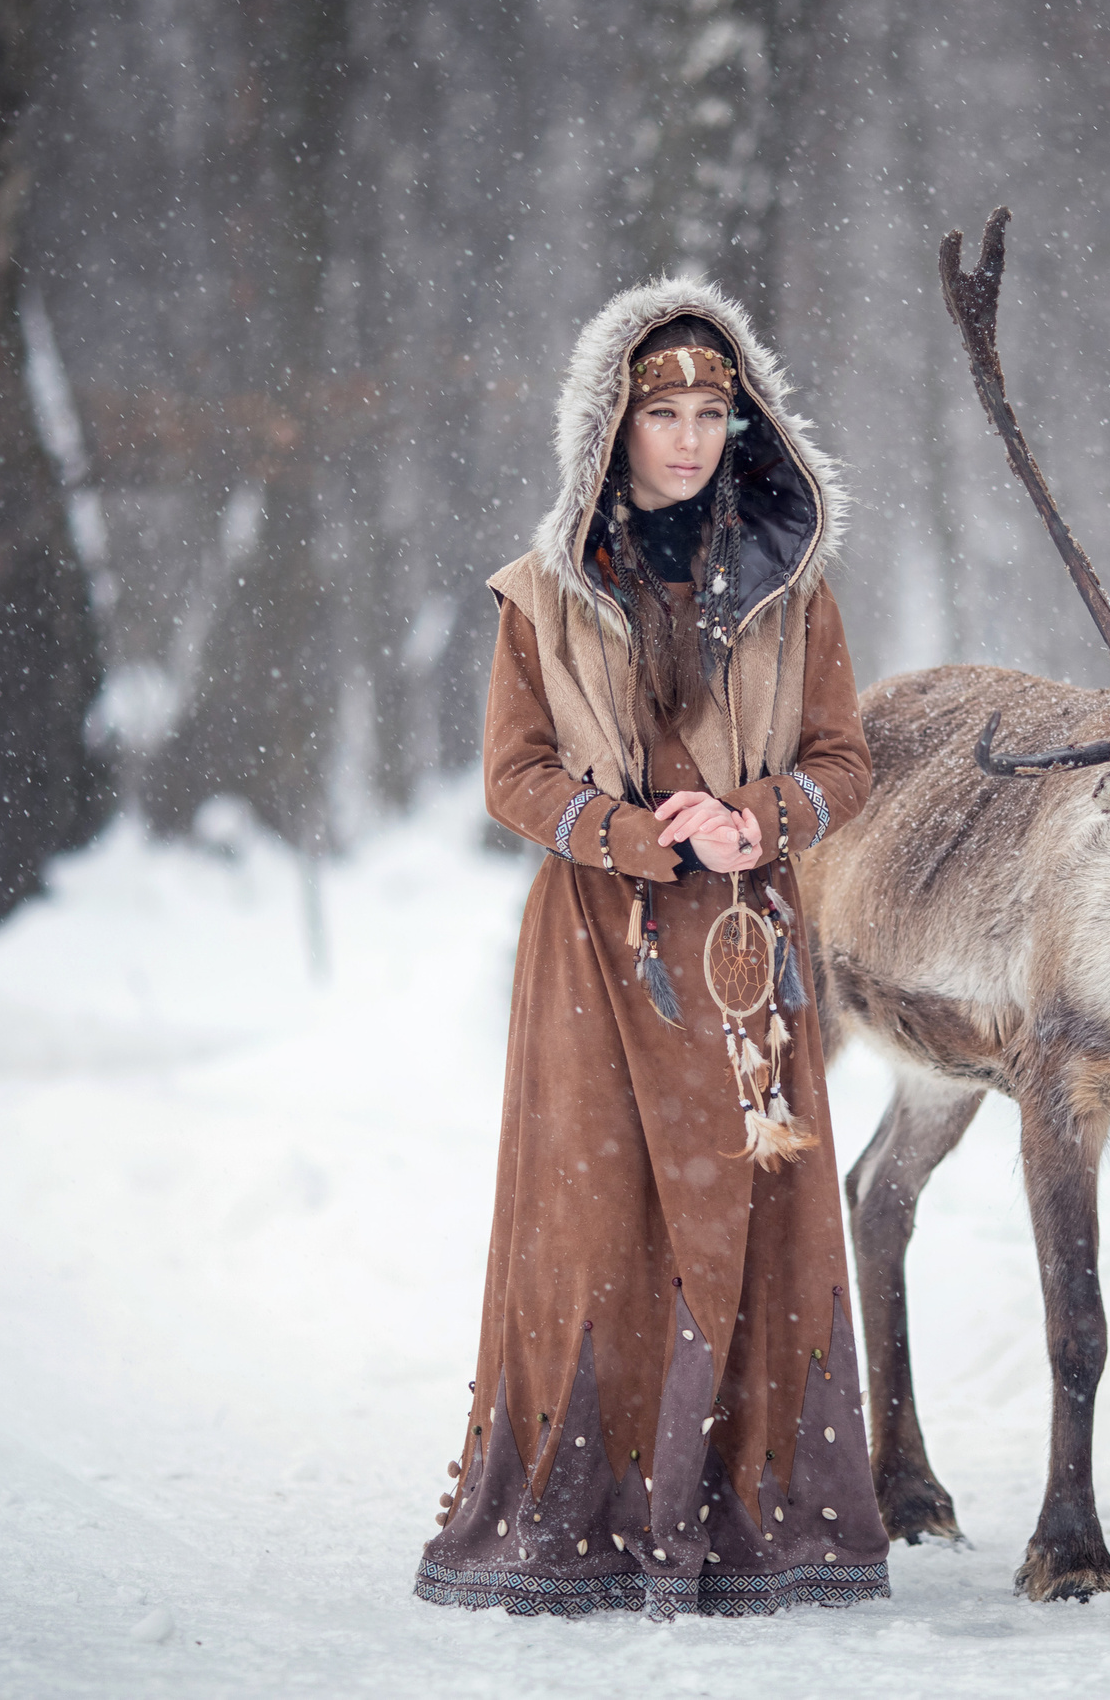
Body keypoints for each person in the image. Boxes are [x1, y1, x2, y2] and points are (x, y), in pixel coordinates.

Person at [414, 279, 888, 1619]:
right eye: (660, 410)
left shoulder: (795, 592)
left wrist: (758, 819)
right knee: (596, 1220)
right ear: (607, 426)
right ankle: (586, 1532)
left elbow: (844, 760)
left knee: (750, 1218)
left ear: (744, 423)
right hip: (596, 951)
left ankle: (755, 1531)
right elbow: (511, 778)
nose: (687, 435)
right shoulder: (541, 596)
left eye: (711, 410)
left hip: (746, 951)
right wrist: (626, 834)